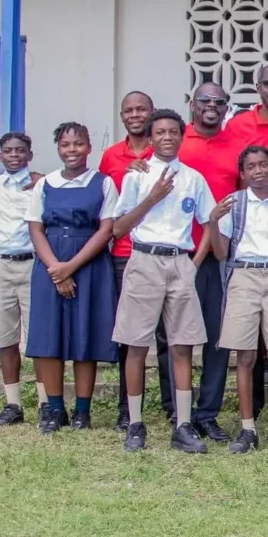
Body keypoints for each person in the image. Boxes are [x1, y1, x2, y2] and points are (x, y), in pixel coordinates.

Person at [111, 109, 217, 454]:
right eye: (160, 132)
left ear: (182, 136)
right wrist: (152, 198)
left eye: (173, 131)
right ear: (150, 138)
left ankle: (183, 425)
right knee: (136, 344)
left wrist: (194, 262)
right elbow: (118, 227)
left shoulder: (193, 178)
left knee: (182, 345)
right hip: (144, 260)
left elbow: (210, 221)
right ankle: (135, 423)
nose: (167, 137)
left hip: (179, 260)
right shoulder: (137, 175)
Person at [209, 145, 268, 454]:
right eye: (251, 166)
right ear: (242, 173)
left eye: (263, 164)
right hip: (244, 276)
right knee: (246, 356)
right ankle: (247, 428)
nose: (258, 171)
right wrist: (213, 221)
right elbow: (221, 252)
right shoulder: (234, 203)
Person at [24, 123, 118, 432]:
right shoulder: (44, 184)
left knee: (84, 335)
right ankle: (54, 409)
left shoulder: (103, 183)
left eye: (78, 144)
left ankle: (82, 411)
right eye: (66, 145)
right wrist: (56, 269)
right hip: (50, 264)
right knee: (48, 337)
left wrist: (71, 267)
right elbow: (35, 228)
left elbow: (106, 230)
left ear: (89, 147)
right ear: (58, 149)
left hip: (89, 264)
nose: (72, 150)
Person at [170, 81, 240, 441]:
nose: (212, 106)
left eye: (219, 101)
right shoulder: (177, 142)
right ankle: (177, 410)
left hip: (219, 256)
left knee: (217, 339)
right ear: (192, 105)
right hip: (179, 253)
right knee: (176, 337)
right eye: (205, 100)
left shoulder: (236, 144)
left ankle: (208, 412)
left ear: (226, 107)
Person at [0, 132, 42, 428]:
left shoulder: (41, 184)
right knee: (5, 338)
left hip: (34, 264)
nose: (14, 155)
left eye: (20, 150)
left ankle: (46, 404)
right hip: (1, 265)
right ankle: (13, 404)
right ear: (0, 156)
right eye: (8, 151)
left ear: (29, 155)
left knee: (39, 337)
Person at [98, 91, 155, 428]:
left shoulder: (164, 150)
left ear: (151, 112)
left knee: (167, 337)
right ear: (121, 116)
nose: (135, 115)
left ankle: (172, 406)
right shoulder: (110, 156)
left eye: (141, 109)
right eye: (129, 110)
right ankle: (127, 407)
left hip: (160, 253)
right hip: (123, 255)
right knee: (129, 337)